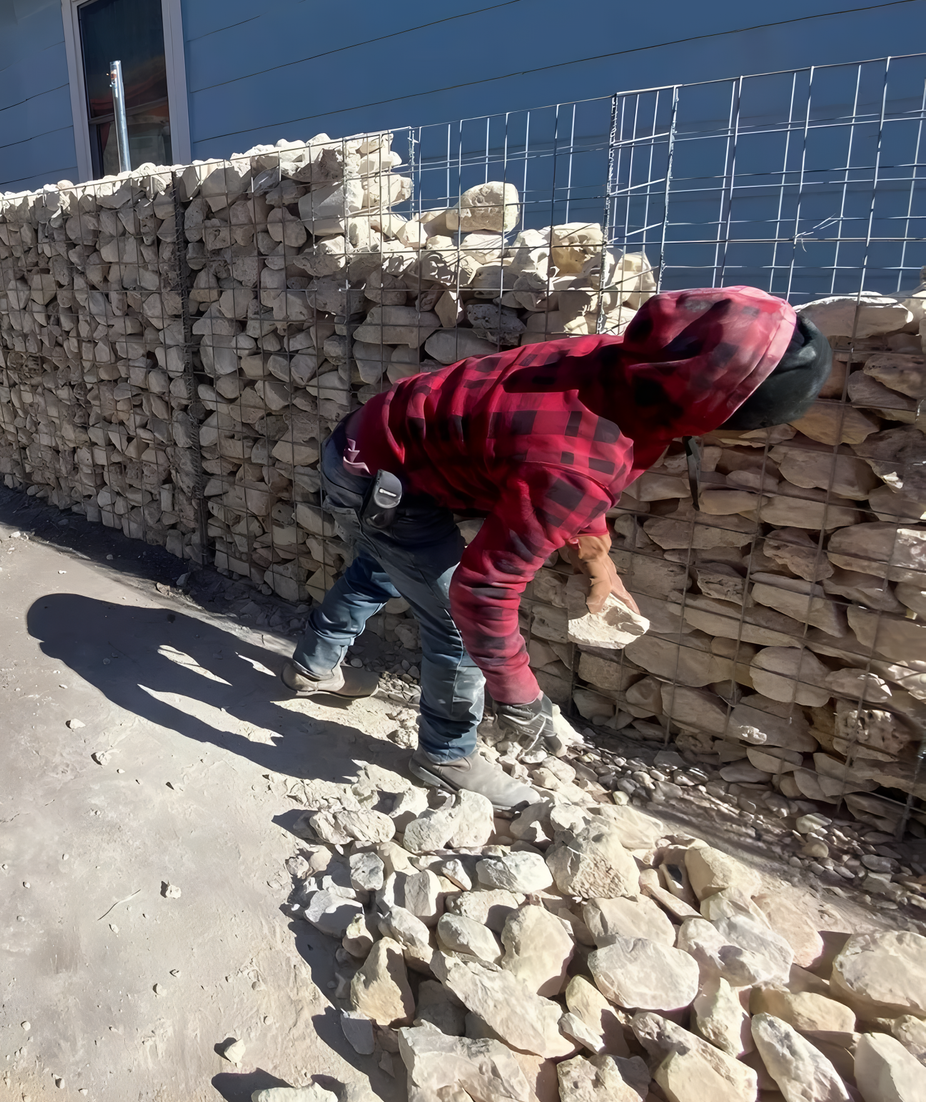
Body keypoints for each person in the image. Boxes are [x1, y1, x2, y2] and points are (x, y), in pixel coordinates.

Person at [287, 286, 831, 809]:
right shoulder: (581, 461)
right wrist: (522, 696)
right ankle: (446, 756)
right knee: (453, 621)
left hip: (374, 445)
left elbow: (569, 465)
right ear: (713, 408)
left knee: (384, 567)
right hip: (384, 480)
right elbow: (483, 590)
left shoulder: (630, 363)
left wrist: (599, 561)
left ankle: (313, 668)